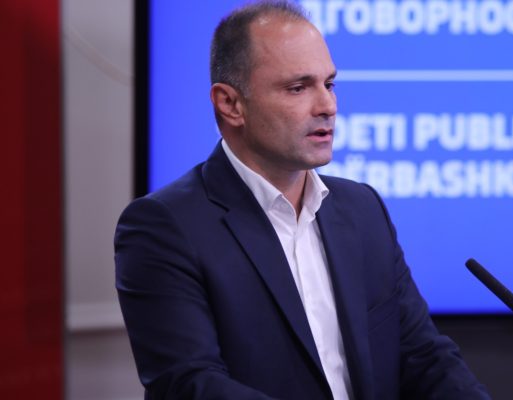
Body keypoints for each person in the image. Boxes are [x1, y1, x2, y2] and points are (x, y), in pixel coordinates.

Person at [114, 1, 490, 399]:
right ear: (230, 104)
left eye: (329, 84)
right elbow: (190, 384)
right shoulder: (165, 226)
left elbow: (425, 357)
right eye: (298, 88)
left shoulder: (362, 209)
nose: (328, 106)